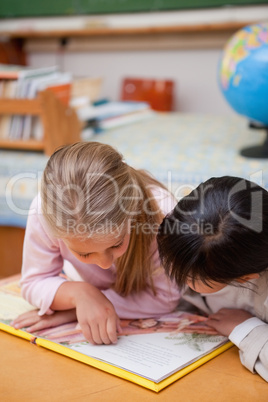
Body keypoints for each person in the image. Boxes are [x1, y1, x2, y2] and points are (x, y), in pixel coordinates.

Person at [12, 142, 180, 345]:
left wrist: (79, 309)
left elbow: (166, 296)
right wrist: (81, 294)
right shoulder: (44, 212)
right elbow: (33, 282)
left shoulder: (162, 214)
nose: (104, 264)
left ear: (133, 212)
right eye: (84, 254)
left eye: (116, 244)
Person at [157, 175, 268, 382]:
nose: (174, 271)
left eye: (189, 276)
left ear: (245, 278)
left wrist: (246, 329)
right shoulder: (183, 236)